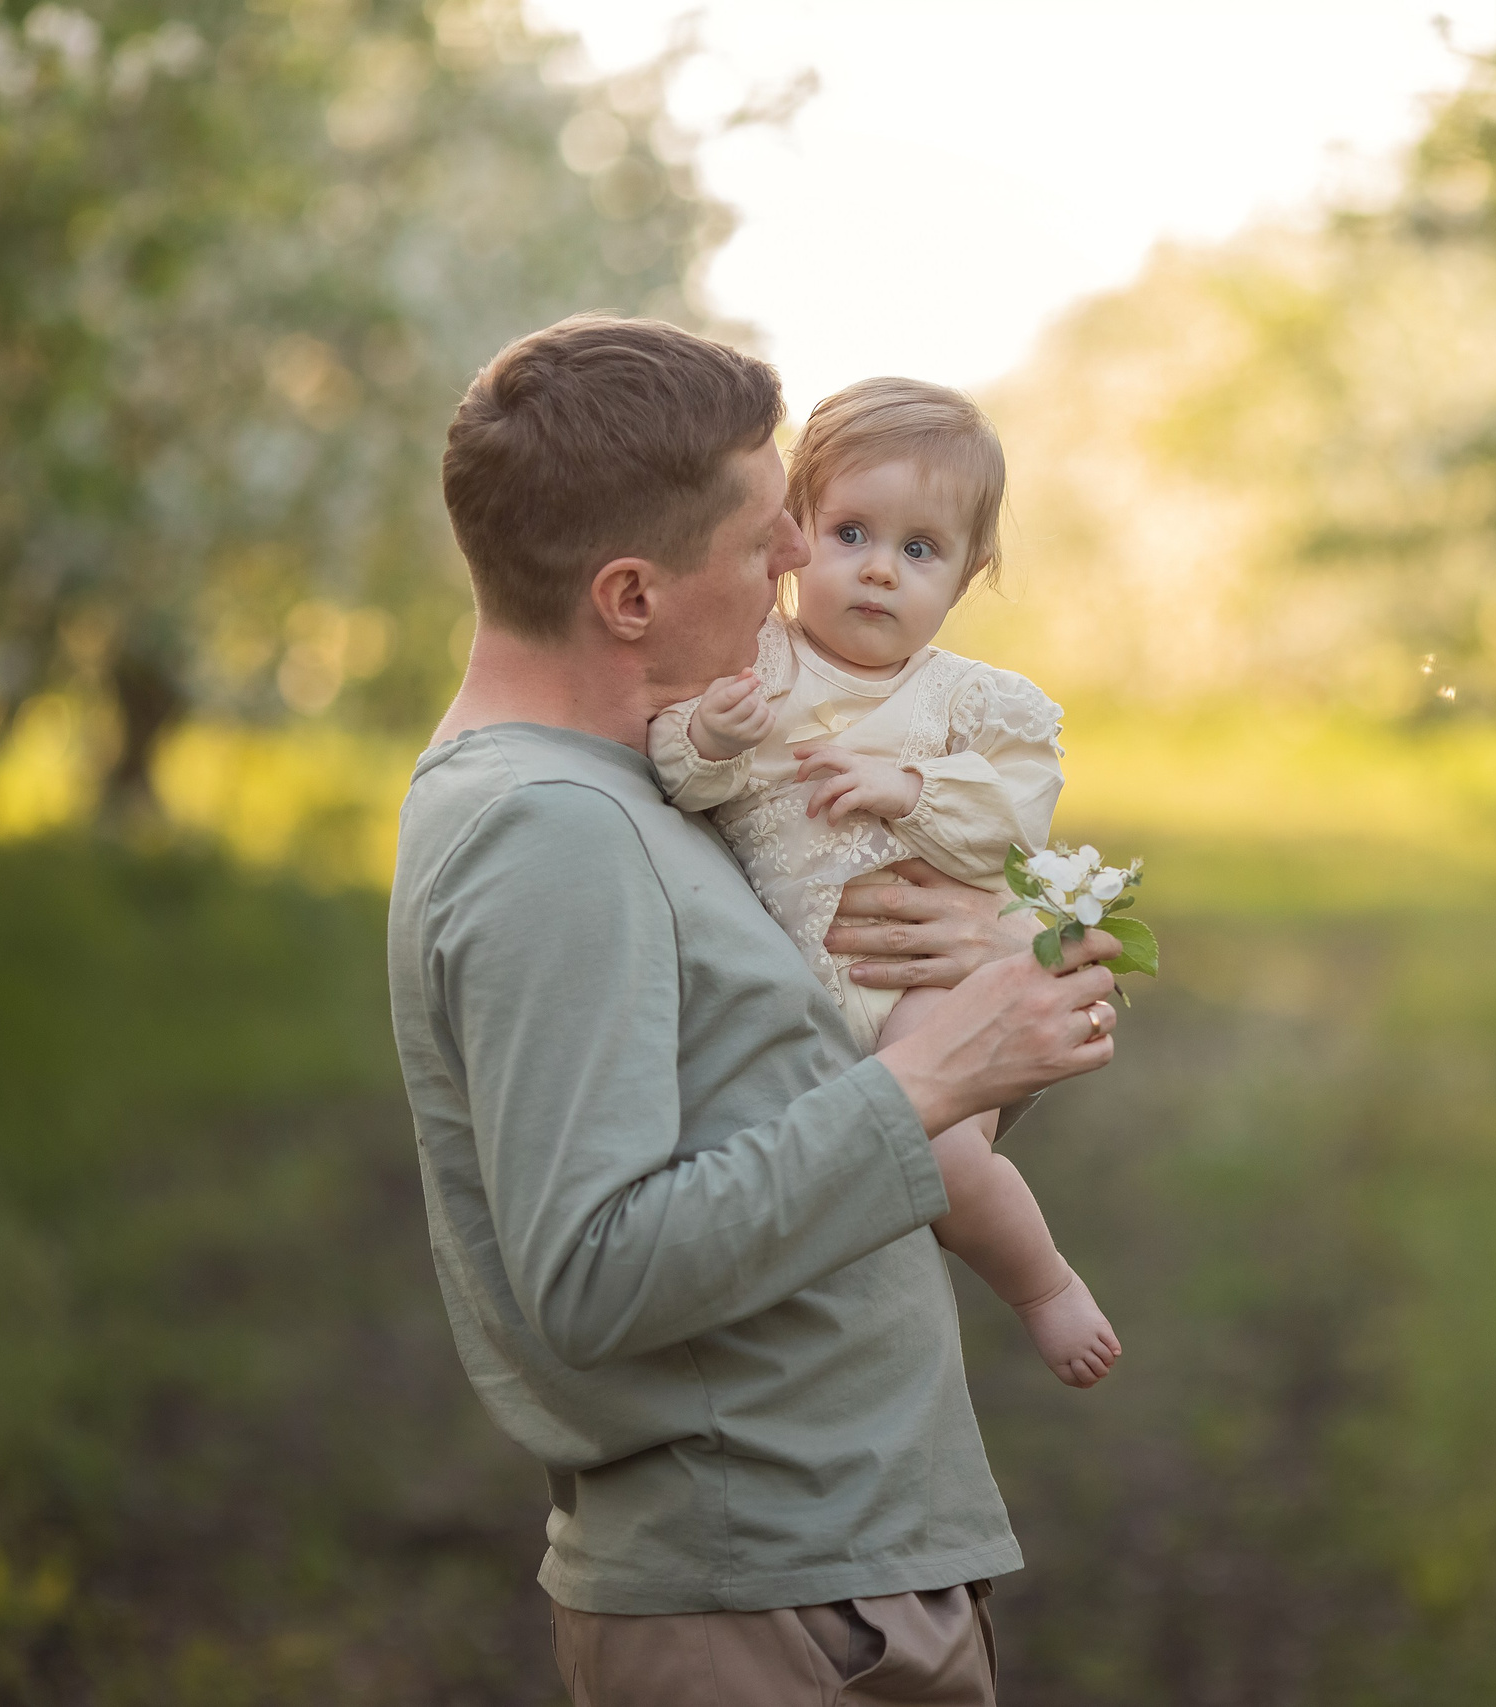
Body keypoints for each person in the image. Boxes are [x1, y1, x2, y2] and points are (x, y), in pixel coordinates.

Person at [385, 315, 1120, 1706]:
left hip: (839, 1574)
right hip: (762, 1605)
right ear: (629, 597)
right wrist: (925, 1085)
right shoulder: (546, 832)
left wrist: (1000, 962)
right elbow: (593, 1271)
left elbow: (794, 1077)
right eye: (761, 536)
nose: (802, 560)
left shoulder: (646, 788)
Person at [648, 378, 1119, 1389]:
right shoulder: (753, 667)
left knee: (941, 1154)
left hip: (918, 985)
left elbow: (1016, 819)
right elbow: (681, 776)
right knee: (796, 1180)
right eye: (851, 532)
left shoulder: (970, 704)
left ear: (964, 575)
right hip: (797, 996)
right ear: (795, 532)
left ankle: (1042, 1286)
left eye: (918, 550)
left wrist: (908, 785)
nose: (876, 572)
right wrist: (707, 737)